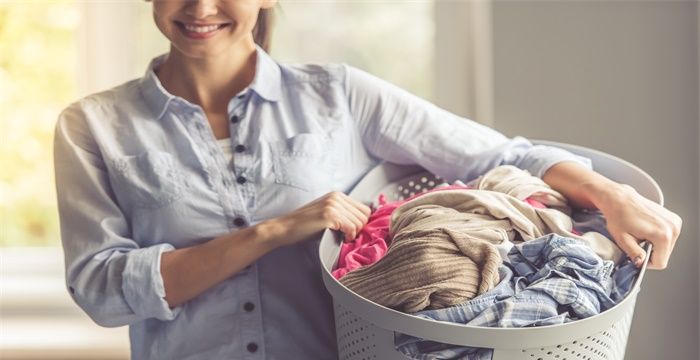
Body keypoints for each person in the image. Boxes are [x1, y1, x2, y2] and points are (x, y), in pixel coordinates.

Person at [53, 0, 682, 359]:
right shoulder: (93, 127)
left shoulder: (340, 96)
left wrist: (612, 193)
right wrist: (272, 232)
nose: (200, 7)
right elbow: (103, 289)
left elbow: (494, 153)